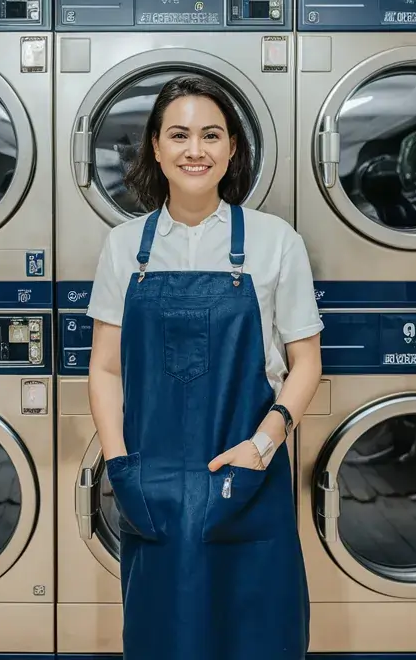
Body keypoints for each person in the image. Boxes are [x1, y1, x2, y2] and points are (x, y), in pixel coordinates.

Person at [86, 74, 325, 660]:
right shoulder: (124, 247)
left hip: (249, 475)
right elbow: (105, 369)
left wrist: (263, 446)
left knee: (259, 634)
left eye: (211, 135)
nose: (196, 150)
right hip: (153, 482)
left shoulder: (276, 243)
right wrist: (120, 465)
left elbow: (306, 361)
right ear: (156, 148)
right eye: (180, 135)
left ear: (233, 149)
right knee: (162, 635)